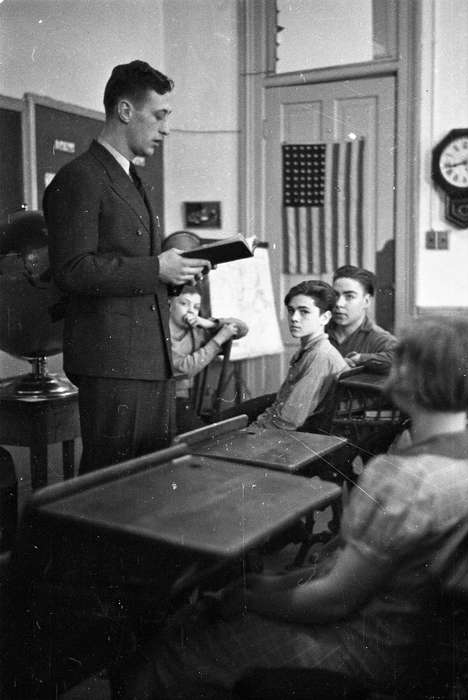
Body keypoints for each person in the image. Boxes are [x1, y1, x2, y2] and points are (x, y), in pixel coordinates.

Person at [112, 315, 468, 698]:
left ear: (418, 378)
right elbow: (348, 572)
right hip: (410, 644)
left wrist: (252, 598)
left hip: (363, 646)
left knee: (176, 652)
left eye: (403, 359)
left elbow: (334, 600)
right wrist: (271, 585)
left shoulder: (402, 475)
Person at [44, 61, 211, 473]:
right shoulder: (80, 177)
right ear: (124, 111)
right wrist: (157, 269)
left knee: (148, 485)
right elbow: (73, 269)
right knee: (113, 493)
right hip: (113, 362)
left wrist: (176, 276)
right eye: (159, 115)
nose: (165, 128)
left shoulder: (132, 179)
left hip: (147, 360)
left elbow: (134, 267)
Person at [253, 280, 348, 431]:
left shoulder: (320, 356)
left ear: (325, 317)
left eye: (304, 311)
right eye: (291, 310)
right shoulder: (307, 350)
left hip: (302, 439)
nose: (294, 318)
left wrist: (251, 432)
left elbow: (288, 421)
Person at [169, 284, 248, 434]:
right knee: (200, 438)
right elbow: (184, 369)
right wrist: (218, 340)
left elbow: (242, 328)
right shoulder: (160, 331)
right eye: (184, 304)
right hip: (161, 399)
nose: (191, 310)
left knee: (203, 435)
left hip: (182, 399)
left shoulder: (197, 331)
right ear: (170, 304)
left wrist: (209, 323)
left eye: (196, 306)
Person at [328, 265, 397, 372]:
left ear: (366, 301)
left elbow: (403, 358)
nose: (338, 303)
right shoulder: (321, 330)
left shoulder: (379, 338)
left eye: (349, 296)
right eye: (335, 295)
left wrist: (360, 358)